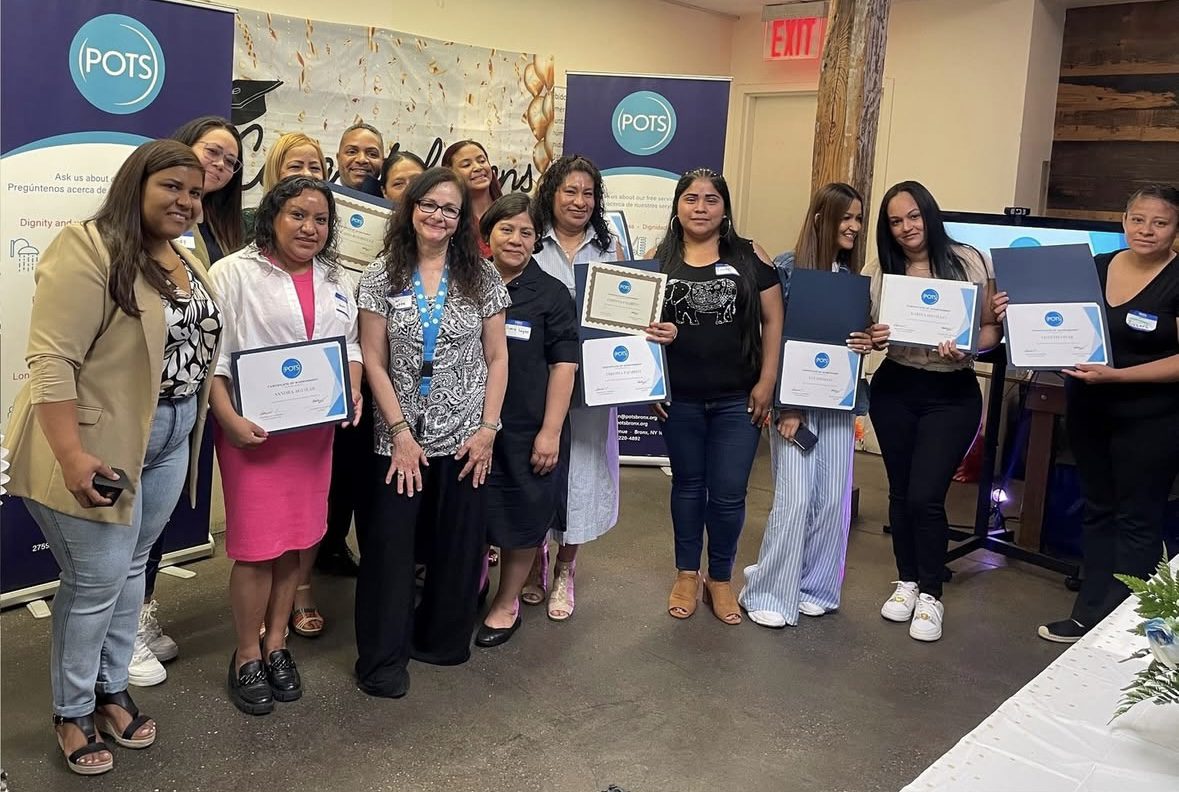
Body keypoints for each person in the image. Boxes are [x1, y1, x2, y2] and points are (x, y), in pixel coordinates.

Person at [3, 140, 221, 774]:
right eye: (172, 187)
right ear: (136, 185)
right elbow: (52, 361)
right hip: (96, 444)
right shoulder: (87, 247)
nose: (186, 201)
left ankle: (110, 690)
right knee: (95, 582)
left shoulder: (186, 255)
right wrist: (70, 455)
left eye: (195, 192)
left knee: (132, 569)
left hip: (171, 437)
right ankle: (72, 711)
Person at [994, 185, 1179, 643]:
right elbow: (1051, 319)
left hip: (1152, 418)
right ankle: (1089, 617)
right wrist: (1011, 310)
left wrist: (1119, 377)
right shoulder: (1094, 267)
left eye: (1160, 222)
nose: (1147, 230)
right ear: (1124, 220)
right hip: (1089, 409)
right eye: (1138, 219)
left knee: (1138, 521)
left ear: (1175, 228)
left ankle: (1127, 633)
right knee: (1097, 511)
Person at [209, 176, 363, 715]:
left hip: (313, 435)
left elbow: (350, 347)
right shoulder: (232, 273)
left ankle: (277, 644)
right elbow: (215, 357)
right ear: (272, 216)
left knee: (297, 544)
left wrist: (353, 389)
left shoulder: (337, 277)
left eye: (320, 220)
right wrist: (227, 419)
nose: (309, 228)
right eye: (298, 215)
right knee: (257, 550)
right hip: (254, 435)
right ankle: (246, 653)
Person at [354, 167, 509, 697]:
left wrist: (488, 429)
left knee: (458, 547)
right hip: (398, 439)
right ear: (412, 208)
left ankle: (441, 640)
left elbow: (497, 357)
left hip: (466, 437)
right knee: (390, 552)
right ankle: (382, 660)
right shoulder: (381, 274)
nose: (438, 216)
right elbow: (373, 359)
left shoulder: (481, 276)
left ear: (462, 219)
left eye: (450, 209)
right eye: (429, 205)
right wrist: (398, 431)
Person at [131, 117, 245, 686]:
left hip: (187, 404)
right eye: (211, 153)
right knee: (122, 534)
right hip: (137, 406)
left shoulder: (218, 229)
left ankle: (138, 615)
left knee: (150, 530)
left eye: (230, 162)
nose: (220, 166)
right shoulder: (137, 234)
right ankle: (120, 636)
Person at [863, 180, 1001, 643]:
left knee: (926, 495)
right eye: (895, 221)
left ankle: (931, 593)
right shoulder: (879, 269)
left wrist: (969, 346)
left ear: (929, 214)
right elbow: (863, 329)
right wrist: (872, 336)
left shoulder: (970, 260)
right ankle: (906, 581)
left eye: (914, 216)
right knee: (901, 492)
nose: (906, 227)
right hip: (895, 386)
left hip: (951, 391)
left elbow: (991, 330)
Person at [739, 183, 882, 628]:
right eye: (847, 217)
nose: (855, 227)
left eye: (859, 218)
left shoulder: (852, 278)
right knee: (795, 500)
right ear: (822, 218)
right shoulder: (787, 268)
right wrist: (787, 406)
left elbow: (853, 339)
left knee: (832, 500)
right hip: (793, 405)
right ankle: (768, 589)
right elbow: (773, 338)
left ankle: (816, 586)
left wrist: (867, 339)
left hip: (838, 403)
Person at [651, 168, 781, 626]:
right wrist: (650, 381)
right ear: (677, 206)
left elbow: (774, 319)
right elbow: (636, 329)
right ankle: (687, 574)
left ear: (724, 208)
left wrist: (767, 381)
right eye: (691, 198)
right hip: (680, 399)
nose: (700, 208)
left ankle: (720, 579)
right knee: (687, 487)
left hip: (737, 399)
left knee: (728, 493)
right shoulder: (657, 260)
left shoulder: (750, 254)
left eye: (711, 199)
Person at [475, 193, 579, 648]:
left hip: (528, 429)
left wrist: (550, 432)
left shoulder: (551, 294)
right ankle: (469, 590)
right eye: (506, 229)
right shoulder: (466, 282)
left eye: (526, 232)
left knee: (521, 519)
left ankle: (506, 603)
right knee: (471, 516)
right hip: (469, 429)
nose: (516, 240)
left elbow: (564, 365)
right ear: (488, 234)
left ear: (537, 240)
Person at [528, 155, 627, 620]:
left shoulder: (610, 250)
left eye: (588, 193)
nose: (579, 201)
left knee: (582, 472)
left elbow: (628, 320)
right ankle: (532, 558)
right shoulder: (530, 242)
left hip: (593, 384)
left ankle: (566, 569)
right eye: (570, 191)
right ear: (551, 193)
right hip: (536, 378)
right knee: (535, 463)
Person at [242, 132, 327, 238]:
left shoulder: (331, 228)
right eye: (296, 166)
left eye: (314, 168)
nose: (307, 174)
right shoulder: (247, 224)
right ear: (275, 172)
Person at [442, 139, 502, 258]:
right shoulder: (448, 219)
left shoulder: (510, 211)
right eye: (466, 165)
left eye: (482, 161)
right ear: (450, 172)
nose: (478, 167)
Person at [335, 123, 385, 196]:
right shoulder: (321, 198)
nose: (361, 160)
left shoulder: (392, 202)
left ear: (382, 163)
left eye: (372, 154)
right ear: (338, 158)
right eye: (352, 152)